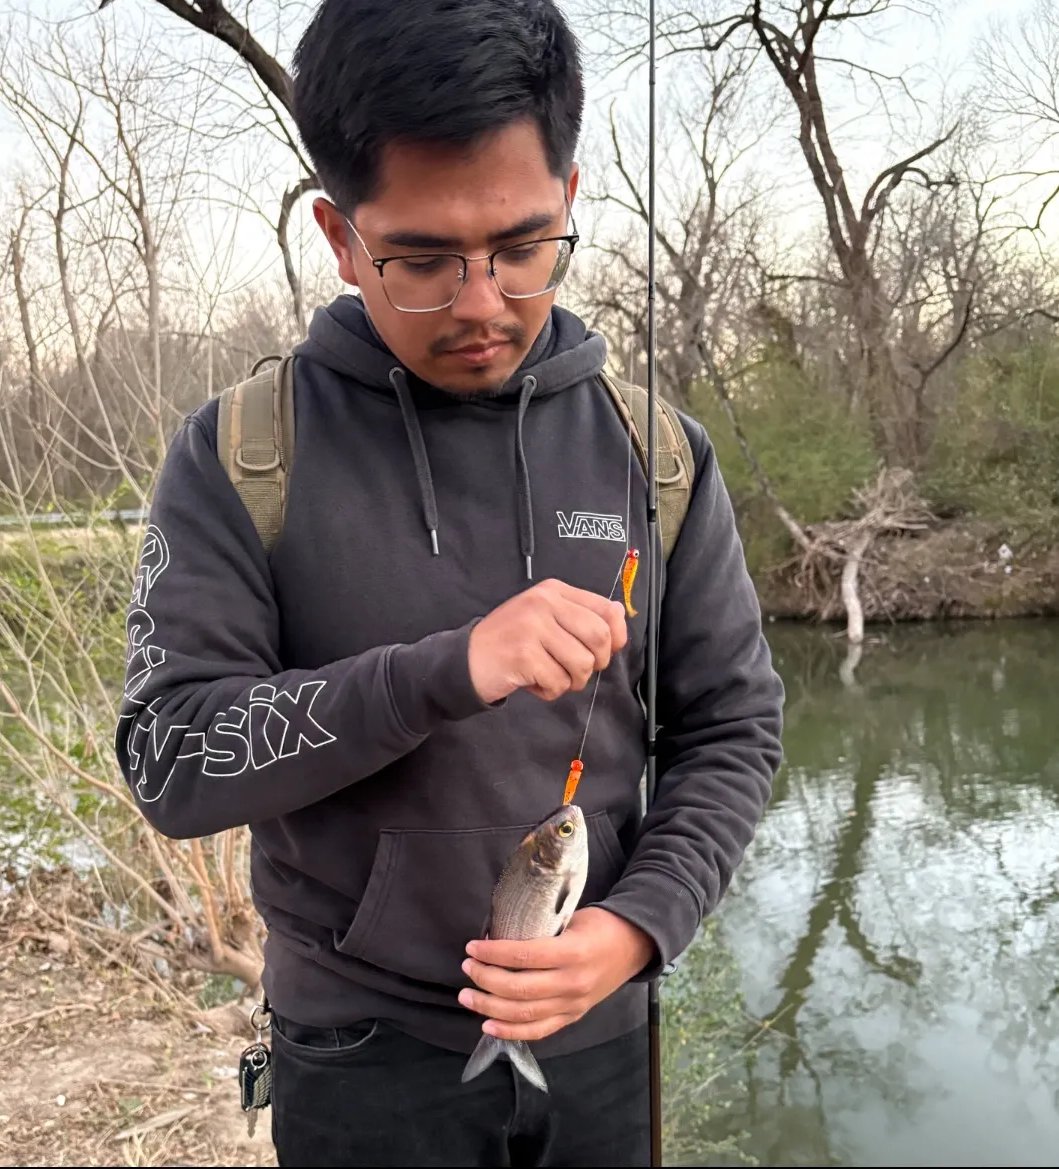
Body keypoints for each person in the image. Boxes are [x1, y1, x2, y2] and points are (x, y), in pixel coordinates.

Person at [114, 1, 785, 1165]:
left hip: (602, 1034)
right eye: (420, 259)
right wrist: (442, 671)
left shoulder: (655, 455)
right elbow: (171, 760)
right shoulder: (243, 454)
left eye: (521, 246)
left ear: (569, 200)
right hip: (357, 1055)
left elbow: (732, 728)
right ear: (338, 235)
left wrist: (637, 927)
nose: (480, 303)